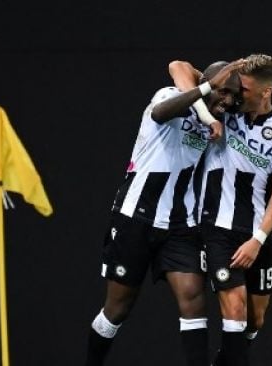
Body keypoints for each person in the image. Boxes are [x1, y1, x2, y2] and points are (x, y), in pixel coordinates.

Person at [85, 59, 244, 366]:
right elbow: (164, 104)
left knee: (194, 302)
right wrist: (207, 88)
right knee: (117, 310)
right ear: (208, 84)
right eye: (223, 91)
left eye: (232, 96)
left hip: (179, 225)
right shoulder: (170, 96)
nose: (227, 100)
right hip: (135, 218)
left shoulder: (220, 121)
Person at [171, 54, 272, 366]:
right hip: (217, 229)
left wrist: (258, 239)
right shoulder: (224, 110)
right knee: (235, 310)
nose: (234, 94)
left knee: (254, 320)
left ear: (266, 91)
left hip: (259, 234)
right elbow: (178, 68)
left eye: (243, 89)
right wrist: (207, 114)